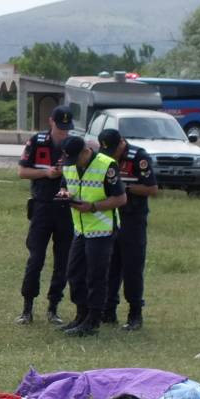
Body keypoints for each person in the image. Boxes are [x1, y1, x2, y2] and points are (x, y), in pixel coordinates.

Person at [56, 135, 127, 336]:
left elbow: (121, 198)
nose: (72, 164)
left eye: (75, 159)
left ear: (86, 151)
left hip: (102, 230)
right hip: (81, 229)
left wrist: (93, 207)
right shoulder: (70, 164)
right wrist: (63, 193)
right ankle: (81, 315)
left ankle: (93, 320)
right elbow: (64, 183)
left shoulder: (107, 165)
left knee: (96, 275)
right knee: (74, 272)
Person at [15, 105, 76, 325]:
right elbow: (22, 171)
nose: (64, 132)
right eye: (60, 127)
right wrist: (46, 173)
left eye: (67, 128)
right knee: (36, 259)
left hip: (66, 210)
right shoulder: (37, 141)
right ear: (51, 121)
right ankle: (27, 308)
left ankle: (53, 307)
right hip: (42, 207)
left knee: (63, 261)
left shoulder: (74, 145)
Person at [99, 128, 158, 331]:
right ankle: (108, 311)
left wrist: (125, 189)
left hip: (133, 219)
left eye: (114, 150)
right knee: (110, 266)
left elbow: (152, 188)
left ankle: (135, 313)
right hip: (111, 218)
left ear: (122, 143)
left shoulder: (138, 158)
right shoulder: (104, 158)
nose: (112, 155)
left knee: (132, 267)